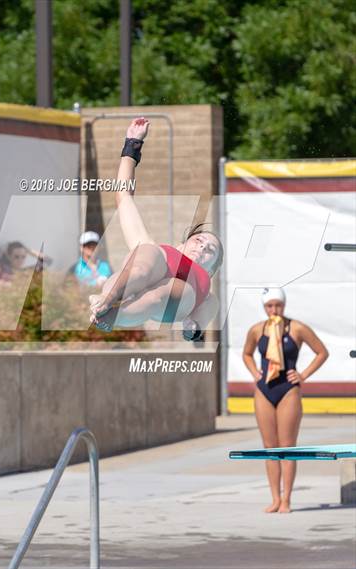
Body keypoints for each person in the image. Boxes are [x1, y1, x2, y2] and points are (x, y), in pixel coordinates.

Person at [89, 117, 223, 337]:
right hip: (147, 269)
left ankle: (111, 315)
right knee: (143, 259)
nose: (202, 248)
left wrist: (194, 327)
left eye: (210, 251)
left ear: (212, 270)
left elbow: (203, 317)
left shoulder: (206, 292)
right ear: (182, 244)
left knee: (163, 293)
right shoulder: (159, 251)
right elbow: (124, 197)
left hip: (176, 296)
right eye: (199, 240)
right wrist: (132, 145)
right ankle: (107, 300)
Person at [242, 287, 329, 513]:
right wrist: (254, 373)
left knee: (287, 447)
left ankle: (287, 499)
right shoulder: (257, 330)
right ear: (264, 307)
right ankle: (274, 498)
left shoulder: (297, 328)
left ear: (284, 305)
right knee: (270, 449)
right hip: (264, 390)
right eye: (270, 306)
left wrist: (303, 375)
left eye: (278, 305)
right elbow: (247, 353)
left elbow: (322, 352)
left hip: (288, 389)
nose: (274, 310)